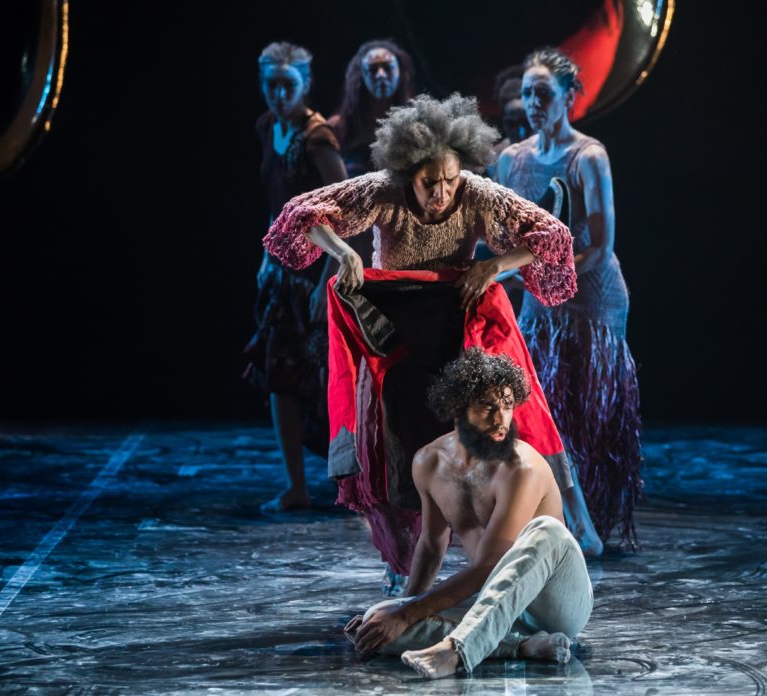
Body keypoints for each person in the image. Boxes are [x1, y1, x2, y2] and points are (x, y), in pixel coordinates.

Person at [263, 93, 579, 594]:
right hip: (395, 330)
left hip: (454, 322)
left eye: (450, 180)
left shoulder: (476, 193)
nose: (441, 192)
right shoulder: (382, 191)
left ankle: (502, 536)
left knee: (477, 430)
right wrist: (343, 249)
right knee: (398, 440)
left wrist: (495, 264)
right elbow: (302, 214)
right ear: (408, 170)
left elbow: (551, 234)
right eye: (430, 182)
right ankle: (401, 562)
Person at [345, 349, 593, 679]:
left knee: (546, 529)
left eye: (507, 406)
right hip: (494, 605)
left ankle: (458, 651)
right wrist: (403, 608)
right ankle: (521, 646)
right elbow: (432, 545)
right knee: (378, 616)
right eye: (488, 407)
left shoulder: (522, 467)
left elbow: (491, 563)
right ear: (457, 408)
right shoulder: (429, 462)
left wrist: (408, 614)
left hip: (554, 603)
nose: (501, 419)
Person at [498, 48, 642, 553]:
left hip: (593, 300)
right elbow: (501, 237)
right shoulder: (511, 161)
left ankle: (589, 519)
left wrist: (544, 273)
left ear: (568, 98)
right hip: (541, 302)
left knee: (588, 414)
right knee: (544, 409)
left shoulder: (589, 156)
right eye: (527, 94)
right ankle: (564, 517)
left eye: (543, 94)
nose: (533, 103)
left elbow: (600, 245)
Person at [242, 42, 347, 512]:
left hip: (315, 274)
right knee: (279, 375)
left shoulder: (317, 139)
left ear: (306, 84)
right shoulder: (268, 127)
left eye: (288, 85)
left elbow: (346, 213)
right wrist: (268, 251)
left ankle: (354, 484)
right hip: (282, 273)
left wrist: (330, 280)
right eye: (271, 85)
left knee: (327, 381)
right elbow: (275, 203)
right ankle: (296, 486)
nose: (279, 93)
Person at [328, 39, 416, 179]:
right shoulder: (338, 127)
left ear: (400, 72)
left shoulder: (416, 125)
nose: (381, 75)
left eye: (387, 67)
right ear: (361, 75)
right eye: (372, 69)